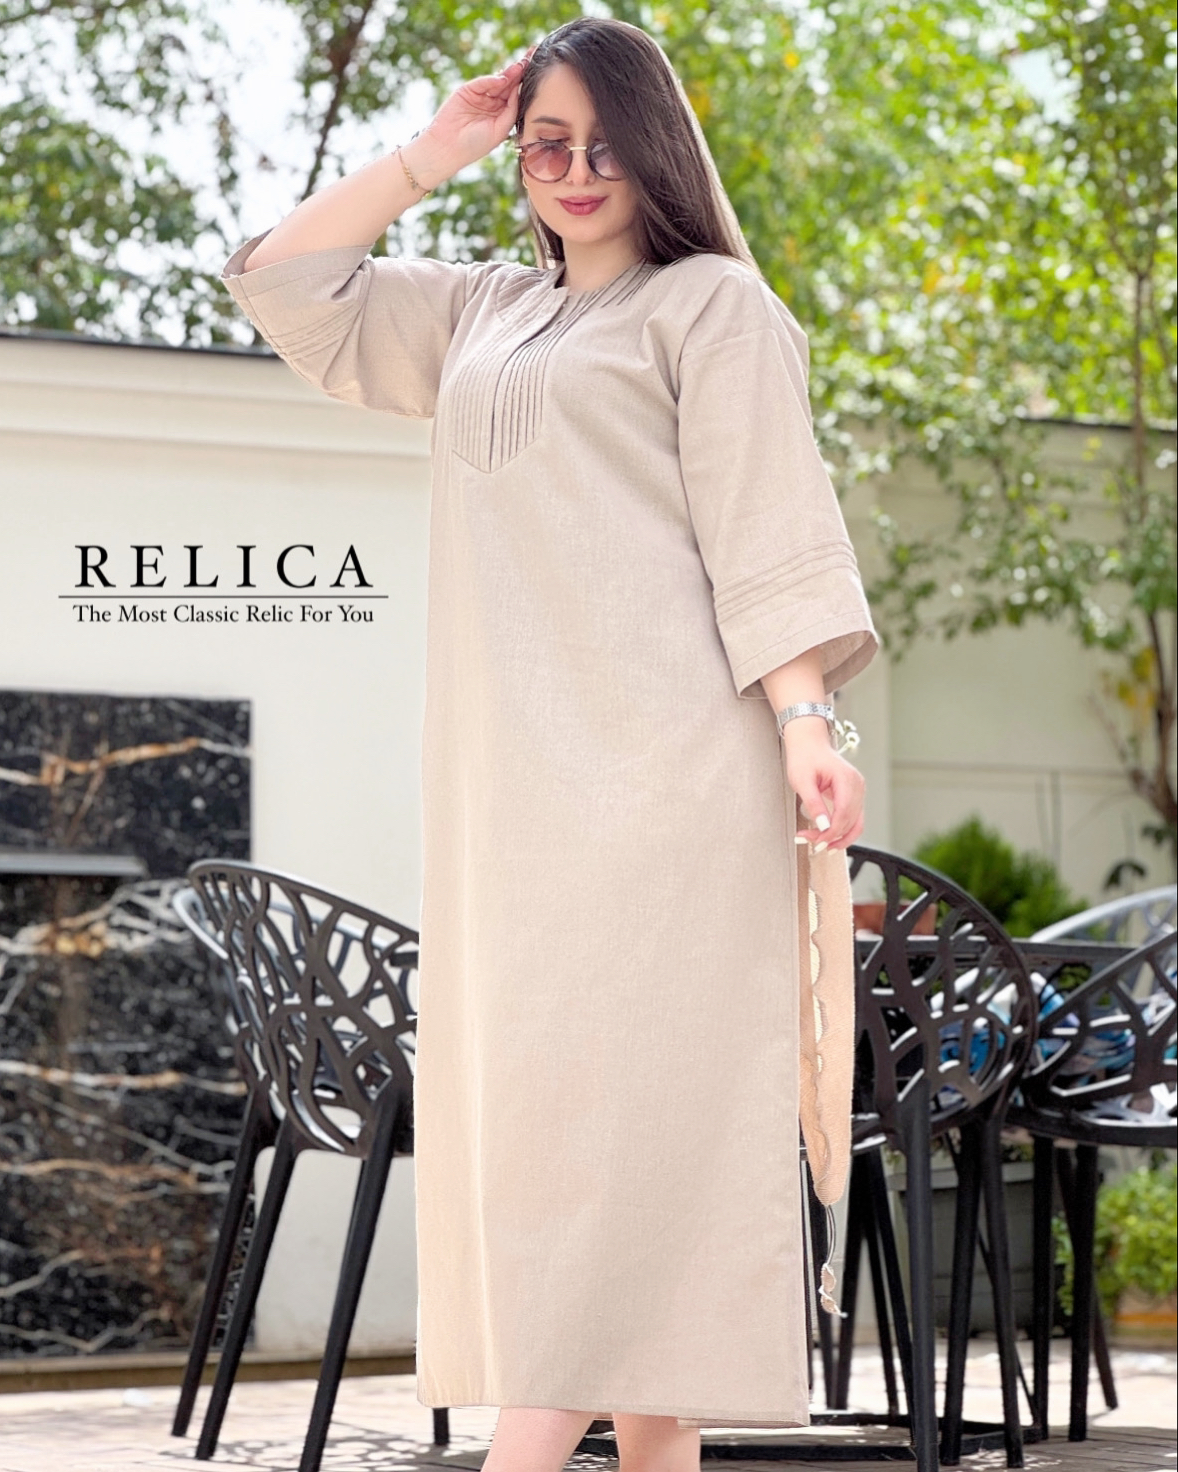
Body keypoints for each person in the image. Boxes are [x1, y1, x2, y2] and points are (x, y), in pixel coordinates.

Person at [221, 16, 878, 1472]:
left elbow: (765, 535)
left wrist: (805, 725)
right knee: (580, 1179)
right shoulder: (480, 314)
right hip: (513, 817)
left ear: (659, 149)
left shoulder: (713, 309)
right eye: (545, 147)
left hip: (670, 797)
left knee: (628, 1163)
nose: (575, 173)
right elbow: (280, 278)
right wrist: (434, 151)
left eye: (603, 144)